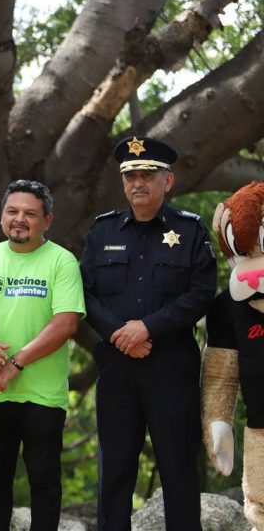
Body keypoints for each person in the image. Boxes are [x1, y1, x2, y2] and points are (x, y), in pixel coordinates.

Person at [80, 136, 216, 531]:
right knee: (115, 473)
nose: (138, 182)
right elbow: (83, 292)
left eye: (148, 174)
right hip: (118, 370)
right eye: (131, 175)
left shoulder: (189, 231)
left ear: (167, 181)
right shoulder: (102, 231)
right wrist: (120, 334)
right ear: (123, 182)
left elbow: (202, 293)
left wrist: (147, 327)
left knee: (178, 472)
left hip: (172, 371)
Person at [0, 180, 85, 531]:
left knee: (44, 481)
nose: (20, 219)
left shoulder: (62, 261)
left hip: (43, 394)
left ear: (47, 220)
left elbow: (66, 323)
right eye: (12, 211)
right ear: (1, 218)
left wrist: (16, 363)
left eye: (30, 213)